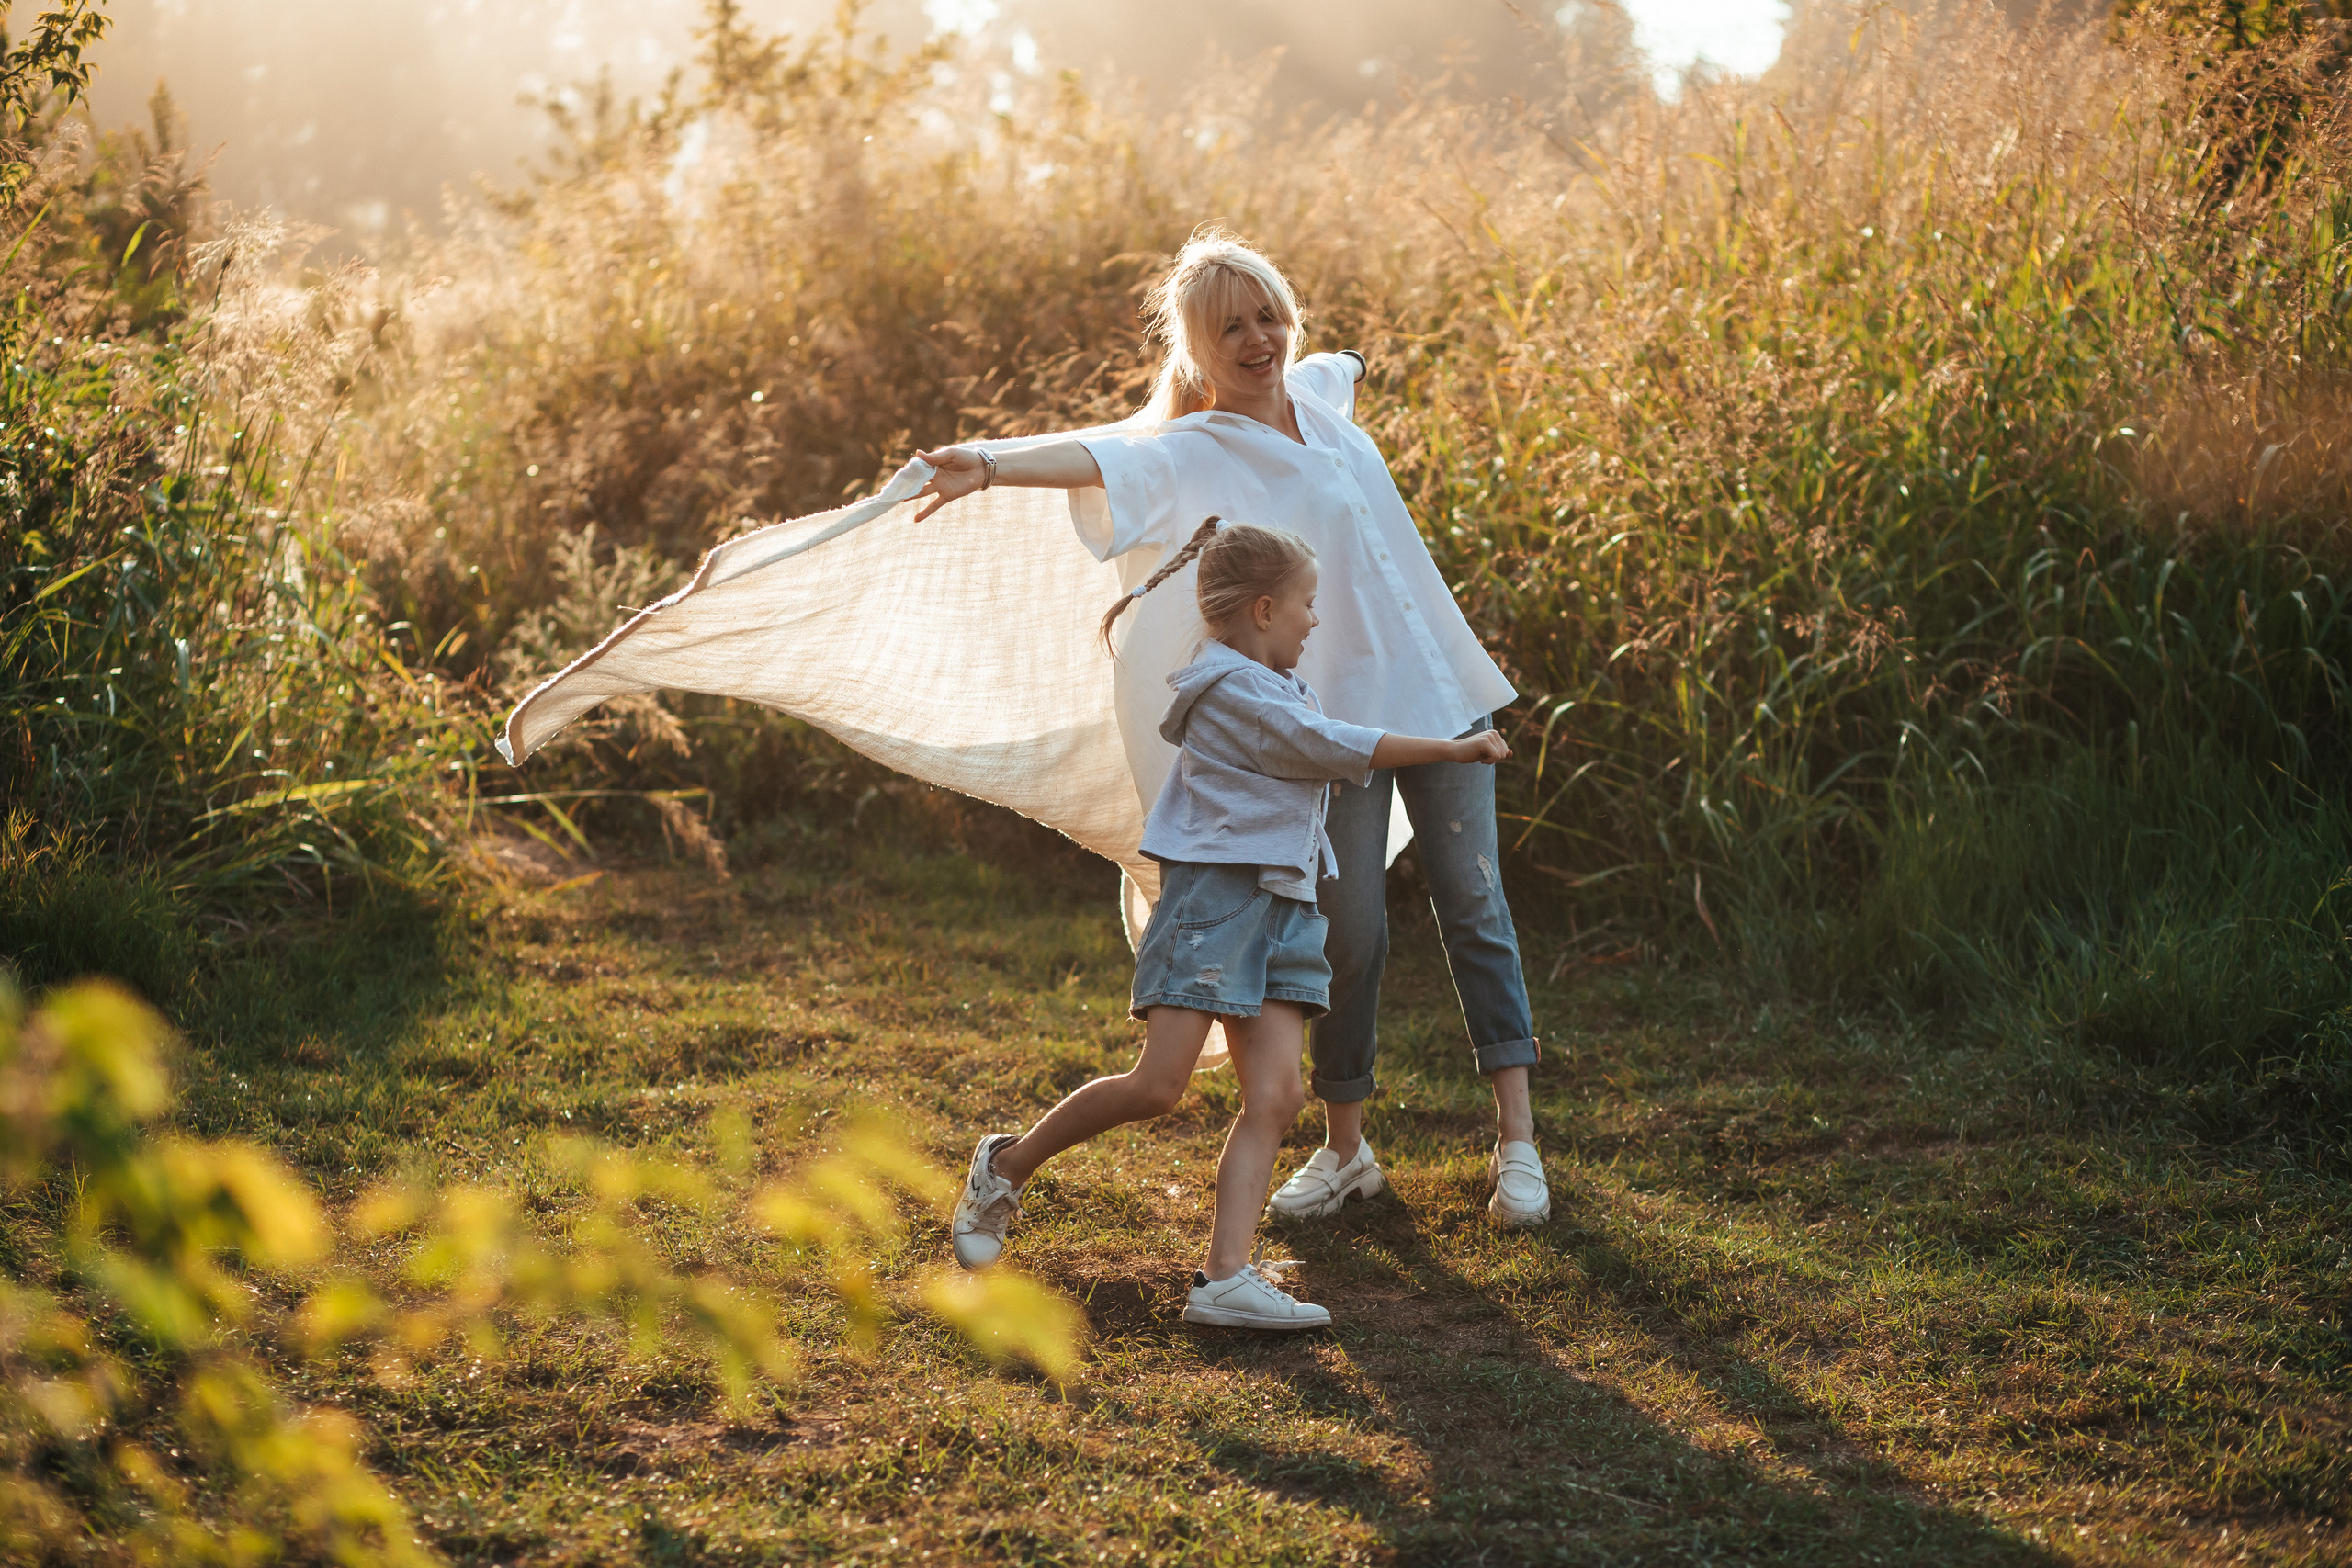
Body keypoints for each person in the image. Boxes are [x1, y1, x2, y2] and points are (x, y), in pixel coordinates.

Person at [914, 228, 1552, 1230]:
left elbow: (1344, 362)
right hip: (1331, 727)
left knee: (1476, 911)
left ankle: (1517, 1145)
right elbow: (1097, 456)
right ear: (1195, 351)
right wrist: (988, 463)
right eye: (1230, 328)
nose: (1258, 341)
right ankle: (1348, 1151)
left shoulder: (1324, 401)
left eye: (1269, 318)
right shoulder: (1190, 449)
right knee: (1347, 936)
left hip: (1437, 692)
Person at [949, 518, 1510, 1328]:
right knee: (1158, 1085)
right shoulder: (1232, 691)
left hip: (1284, 904)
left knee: (1278, 1094)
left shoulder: (1278, 685)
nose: (1316, 621)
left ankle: (1223, 1279)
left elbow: (1312, 734)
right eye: (1308, 605)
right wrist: (1447, 751)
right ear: (1262, 608)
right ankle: (1004, 1166)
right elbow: (1321, 744)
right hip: (1216, 903)